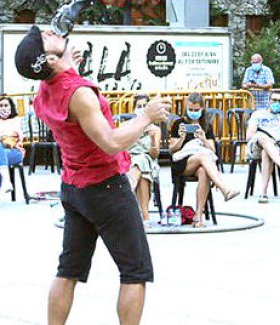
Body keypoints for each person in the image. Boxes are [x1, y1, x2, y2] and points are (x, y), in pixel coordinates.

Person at [16, 26, 170, 325]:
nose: (51, 31)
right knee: (135, 271)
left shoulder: (45, 91)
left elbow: (60, 81)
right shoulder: (80, 95)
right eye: (45, 37)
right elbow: (111, 142)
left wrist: (67, 64)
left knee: (69, 270)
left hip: (74, 189)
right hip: (106, 187)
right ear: (48, 59)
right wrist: (146, 116)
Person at [169, 92, 238, 223]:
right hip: (183, 163)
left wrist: (203, 138)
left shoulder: (206, 125)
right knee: (203, 156)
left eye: (196, 110)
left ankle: (198, 215)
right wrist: (181, 138)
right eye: (190, 110)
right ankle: (224, 188)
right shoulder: (179, 124)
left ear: (202, 109)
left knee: (203, 171)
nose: (193, 112)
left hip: (202, 162)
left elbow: (212, 149)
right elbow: (172, 150)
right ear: (186, 108)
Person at [126, 94, 161, 224]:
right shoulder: (128, 126)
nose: (141, 109)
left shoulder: (155, 129)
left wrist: (152, 139)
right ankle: (145, 217)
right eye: (138, 106)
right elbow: (122, 148)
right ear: (134, 109)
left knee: (143, 160)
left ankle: (130, 184)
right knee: (143, 171)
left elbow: (154, 154)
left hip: (149, 161)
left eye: (144, 106)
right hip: (129, 161)